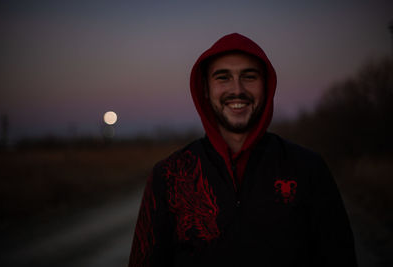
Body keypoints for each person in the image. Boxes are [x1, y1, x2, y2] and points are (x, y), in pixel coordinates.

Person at [128, 33, 357, 267]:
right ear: (205, 89)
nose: (237, 89)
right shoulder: (169, 175)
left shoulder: (308, 168)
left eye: (249, 76)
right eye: (223, 77)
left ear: (266, 86)